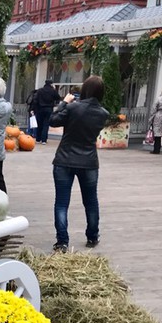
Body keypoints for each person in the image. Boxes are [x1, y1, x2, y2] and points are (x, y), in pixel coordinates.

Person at [49, 75, 110, 252]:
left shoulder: (73, 108)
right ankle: (92, 236)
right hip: (89, 160)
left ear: (85, 90)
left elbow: (53, 120)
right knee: (91, 201)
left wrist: (64, 103)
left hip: (65, 159)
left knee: (61, 202)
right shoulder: (103, 114)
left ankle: (62, 241)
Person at [34, 79, 61, 144]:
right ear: (51, 84)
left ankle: (38, 139)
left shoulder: (40, 90)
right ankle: (44, 140)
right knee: (46, 124)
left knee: (39, 124)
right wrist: (54, 90)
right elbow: (58, 97)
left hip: (40, 109)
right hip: (49, 109)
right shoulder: (52, 91)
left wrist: (35, 109)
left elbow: (35, 99)